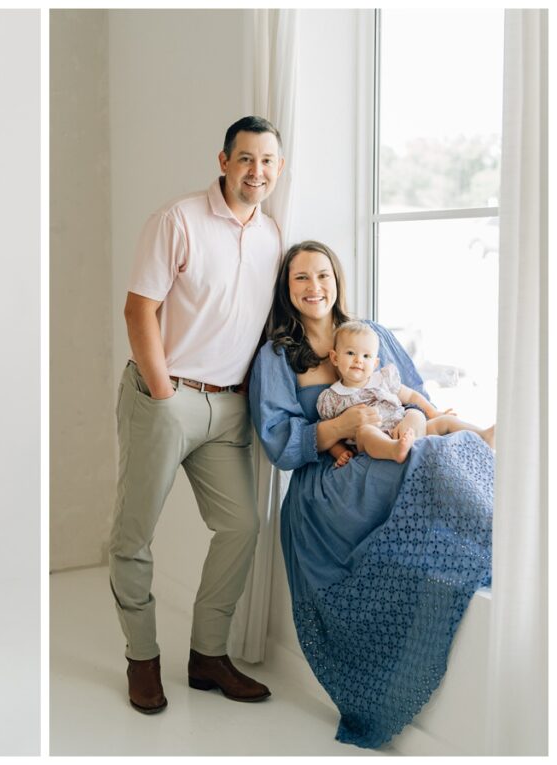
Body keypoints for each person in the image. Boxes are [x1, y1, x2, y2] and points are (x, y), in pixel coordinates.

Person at [248, 240, 493, 748]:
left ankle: (506, 524)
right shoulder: (278, 354)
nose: (314, 287)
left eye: (323, 275)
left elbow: (412, 396)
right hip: (328, 481)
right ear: (286, 288)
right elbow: (278, 443)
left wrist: (411, 420)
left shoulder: (371, 333)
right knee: (428, 456)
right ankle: (507, 536)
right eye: (301, 278)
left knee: (440, 447)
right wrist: (340, 425)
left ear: (337, 279)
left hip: (386, 446)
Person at [110, 115, 284, 714]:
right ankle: (143, 660)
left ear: (278, 170)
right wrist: (162, 393)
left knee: (242, 526)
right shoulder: (176, 219)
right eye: (245, 159)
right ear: (223, 160)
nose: (255, 171)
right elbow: (139, 309)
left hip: (230, 409)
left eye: (267, 161)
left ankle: (208, 657)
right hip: (166, 398)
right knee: (134, 537)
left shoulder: (272, 237)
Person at [318, 320, 496, 467]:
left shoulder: (383, 379)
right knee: (366, 431)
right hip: (374, 442)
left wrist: (432, 412)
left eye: (366, 356)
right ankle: (395, 450)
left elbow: (411, 397)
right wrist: (341, 453)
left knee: (437, 420)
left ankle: (484, 436)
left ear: (375, 362)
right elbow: (332, 436)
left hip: (406, 429)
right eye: (350, 353)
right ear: (335, 358)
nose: (358, 360)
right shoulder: (332, 397)